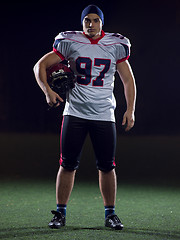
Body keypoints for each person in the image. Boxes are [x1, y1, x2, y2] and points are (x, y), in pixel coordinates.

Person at [33, 4, 136, 230]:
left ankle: (110, 214)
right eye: (87, 20)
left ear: (102, 22)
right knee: (67, 164)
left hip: (104, 113)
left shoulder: (115, 45)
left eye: (95, 20)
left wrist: (130, 109)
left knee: (107, 166)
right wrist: (48, 91)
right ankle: (60, 213)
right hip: (75, 112)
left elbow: (128, 79)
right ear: (82, 22)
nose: (91, 24)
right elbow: (39, 66)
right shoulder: (69, 42)